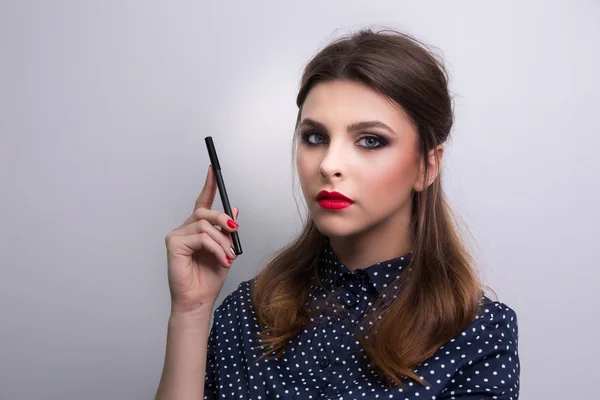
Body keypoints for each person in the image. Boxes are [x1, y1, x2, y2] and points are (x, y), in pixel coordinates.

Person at [155, 28, 520, 400]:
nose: (329, 165)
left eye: (370, 140)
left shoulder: (478, 332)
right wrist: (191, 314)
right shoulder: (246, 312)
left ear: (427, 166)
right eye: (315, 137)